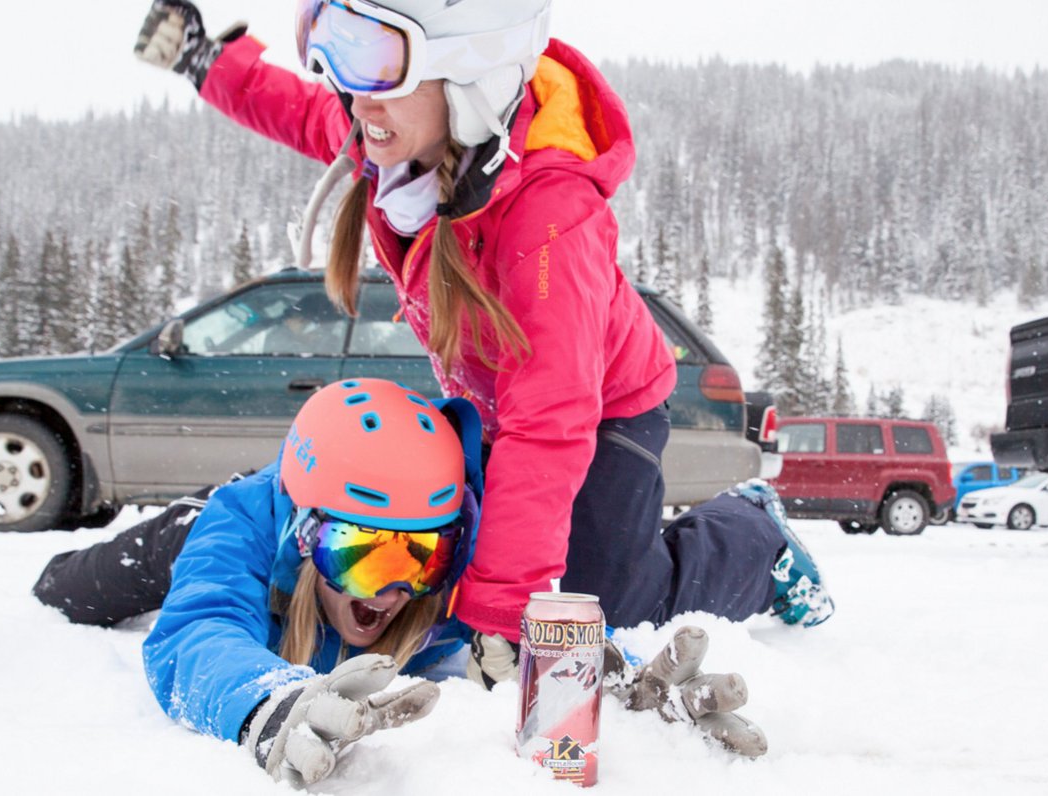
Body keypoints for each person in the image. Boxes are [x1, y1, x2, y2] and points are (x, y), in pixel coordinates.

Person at [133, 0, 833, 689]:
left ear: (470, 72)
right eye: (334, 51)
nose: (354, 95)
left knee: (599, 600)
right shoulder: (400, 137)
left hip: (604, 410)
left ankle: (752, 538)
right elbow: (295, 109)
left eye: (376, 60)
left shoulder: (548, 220)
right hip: (498, 404)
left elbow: (551, 422)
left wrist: (505, 612)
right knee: (452, 558)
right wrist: (210, 62)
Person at [34, 379, 769, 788]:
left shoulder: (467, 553)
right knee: (76, 588)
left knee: (639, 588)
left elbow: (545, 633)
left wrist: (624, 687)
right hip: (207, 528)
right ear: (305, 533)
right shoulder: (246, 526)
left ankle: (755, 523)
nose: (390, 593)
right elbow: (196, 631)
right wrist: (265, 701)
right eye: (361, 556)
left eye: (418, 561)